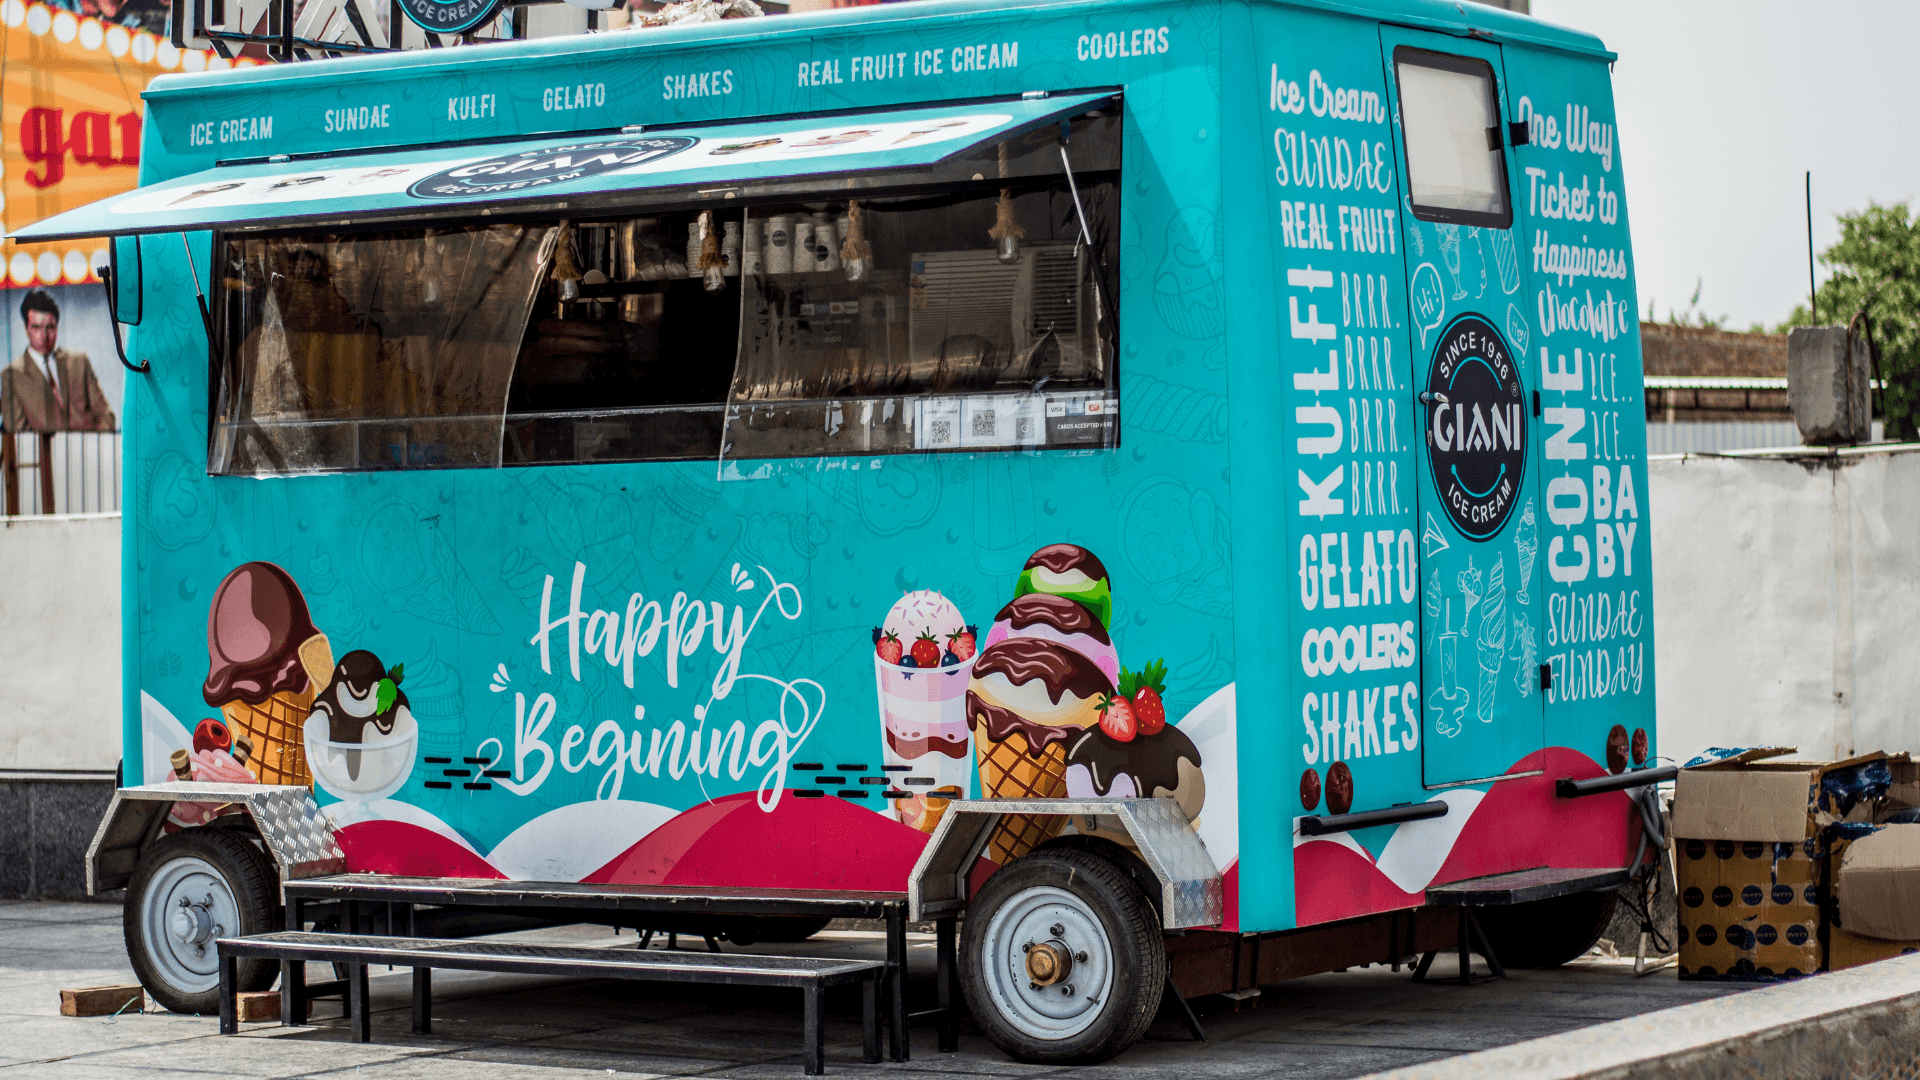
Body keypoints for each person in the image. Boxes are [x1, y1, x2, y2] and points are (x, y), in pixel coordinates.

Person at [2, 291, 117, 433]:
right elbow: (20, 436)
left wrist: (90, 446)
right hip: (42, 454)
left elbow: (106, 417)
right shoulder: (11, 376)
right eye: (36, 327)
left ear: (57, 327)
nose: (43, 336)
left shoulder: (79, 362)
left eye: (50, 327)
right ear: (26, 329)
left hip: (89, 450)